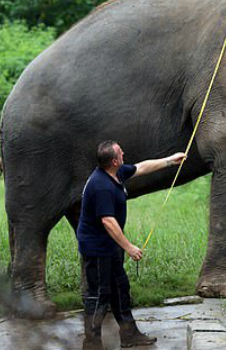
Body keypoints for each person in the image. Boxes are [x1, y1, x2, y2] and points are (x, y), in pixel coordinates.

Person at [78, 140, 185, 349]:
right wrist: (129, 247)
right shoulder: (102, 186)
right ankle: (91, 342)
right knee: (100, 294)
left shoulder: (115, 173)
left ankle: (129, 335)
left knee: (120, 288)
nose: (124, 153)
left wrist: (170, 161)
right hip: (97, 248)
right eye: (121, 152)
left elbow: (142, 167)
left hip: (110, 245)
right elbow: (108, 221)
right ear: (114, 161)